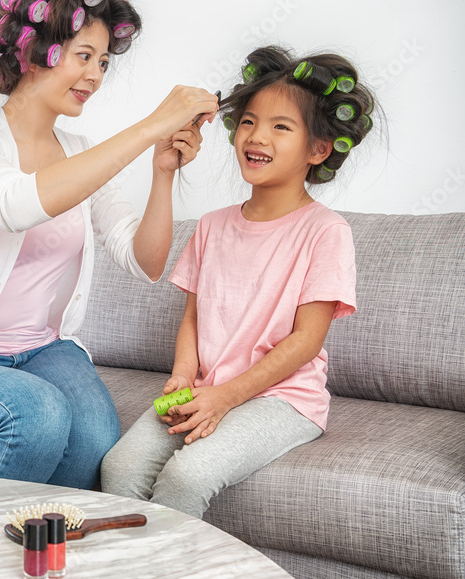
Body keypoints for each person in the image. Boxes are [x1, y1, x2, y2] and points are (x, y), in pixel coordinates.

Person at [0, 0, 219, 489]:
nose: (94, 75)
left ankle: (45, 555)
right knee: (39, 414)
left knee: (95, 443)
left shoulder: (79, 152)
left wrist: (161, 172)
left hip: (44, 349)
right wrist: (149, 126)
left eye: (104, 62)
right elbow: (16, 205)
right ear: (34, 54)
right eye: (83, 56)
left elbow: (145, 262)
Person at [101, 46, 377, 517]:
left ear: (319, 149)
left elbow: (307, 341)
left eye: (280, 126)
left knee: (187, 476)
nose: (257, 136)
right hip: (205, 384)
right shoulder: (211, 225)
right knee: (119, 467)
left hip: (283, 398)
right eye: (248, 121)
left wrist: (225, 397)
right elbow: (192, 317)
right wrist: (183, 377)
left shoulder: (326, 232)